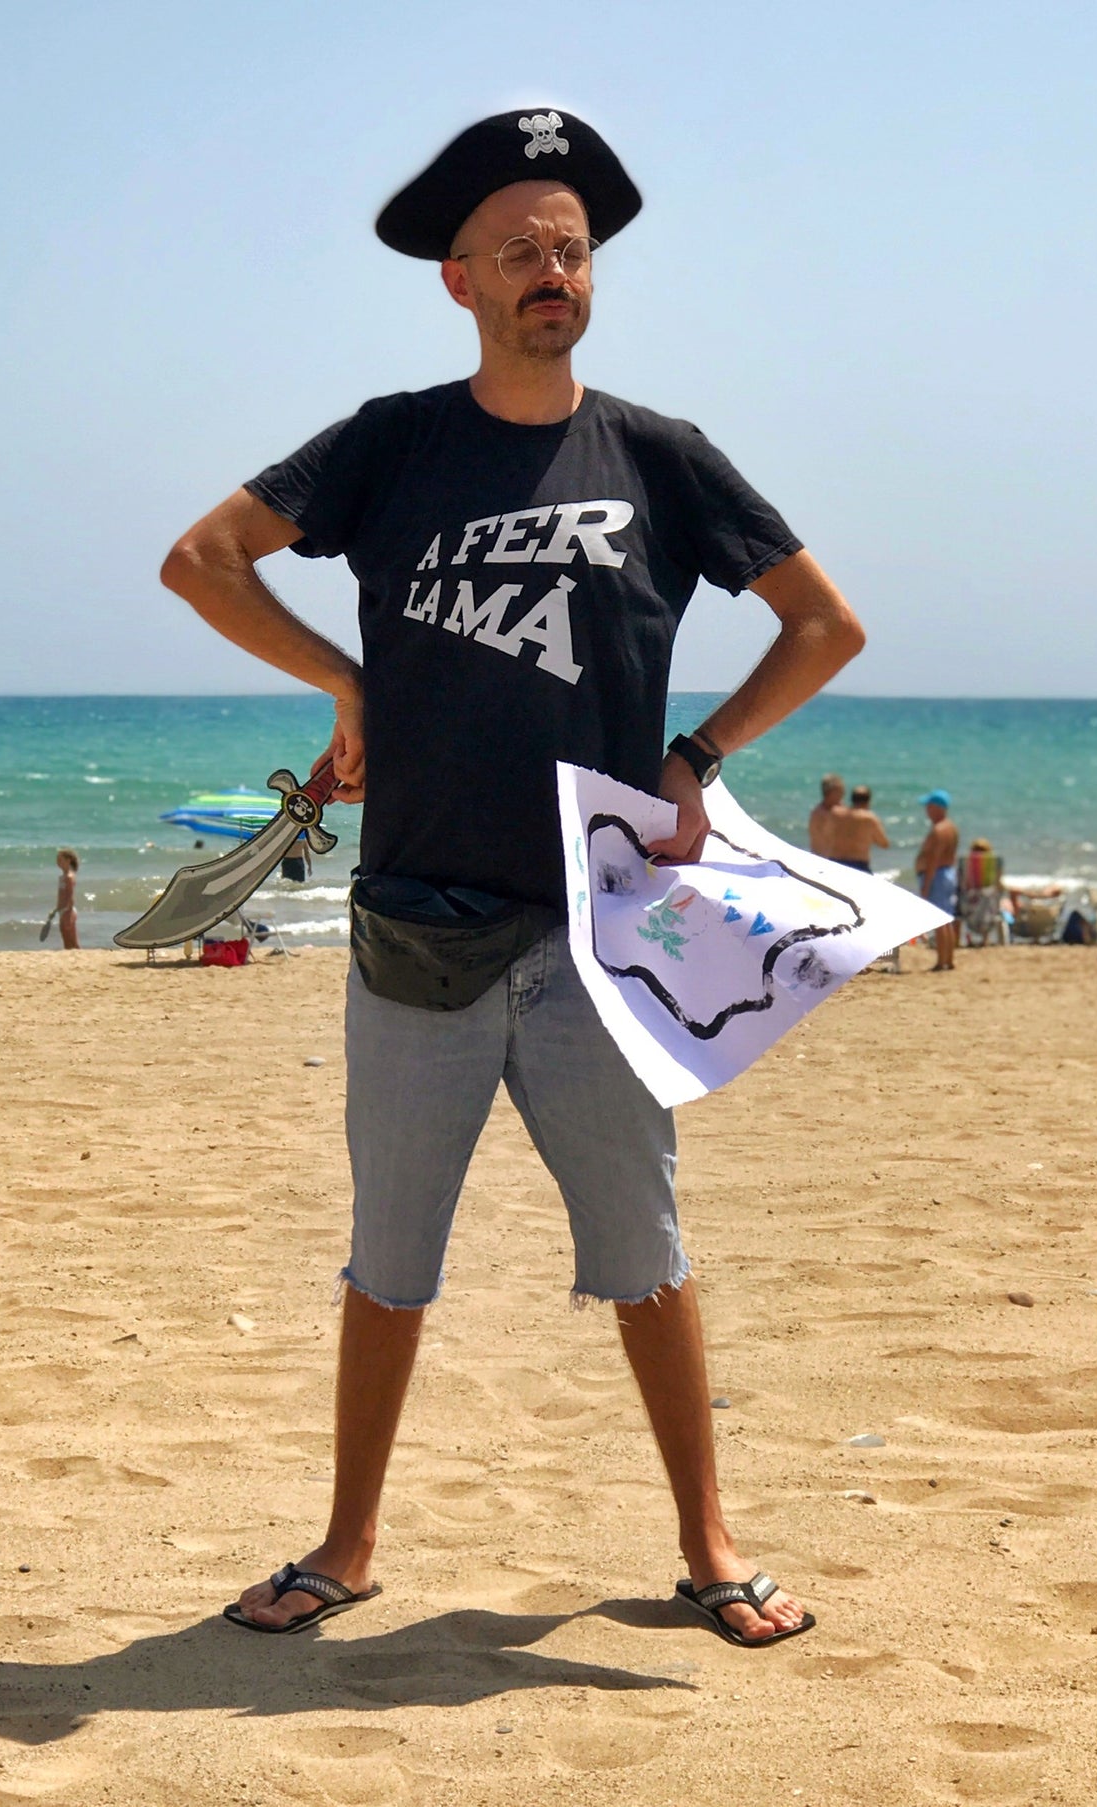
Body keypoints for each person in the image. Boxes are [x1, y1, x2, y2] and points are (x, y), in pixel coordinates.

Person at [159, 110, 864, 1646]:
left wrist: (702, 756)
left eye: (572, 249)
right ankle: (347, 1543)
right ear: (459, 282)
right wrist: (347, 686)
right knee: (389, 1260)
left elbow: (824, 626)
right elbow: (206, 558)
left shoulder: (662, 458)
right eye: (520, 252)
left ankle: (710, 1539)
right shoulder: (390, 442)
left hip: (599, 940)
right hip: (414, 928)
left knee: (646, 1258)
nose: (554, 271)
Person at [915, 791, 959, 970]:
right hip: (948, 872)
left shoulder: (939, 830)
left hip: (938, 875)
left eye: (929, 806)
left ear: (937, 808)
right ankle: (948, 959)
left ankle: (942, 961)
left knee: (940, 921)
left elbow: (933, 859)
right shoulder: (951, 827)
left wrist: (926, 887)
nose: (926, 810)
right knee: (946, 919)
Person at [829, 783, 889, 872]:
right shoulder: (869, 818)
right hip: (858, 865)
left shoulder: (836, 813)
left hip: (835, 862)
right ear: (868, 801)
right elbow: (884, 844)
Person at [808, 773, 846, 857]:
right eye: (840, 791)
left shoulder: (836, 810)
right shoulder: (820, 814)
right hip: (824, 861)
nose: (843, 794)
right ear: (832, 792)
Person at [54, 849, 80, 950]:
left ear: (68, 860)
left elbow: (69, 895)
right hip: (62, 910)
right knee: (66, 939)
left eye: (60, 860)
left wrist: (67, 912)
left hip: (68, 911)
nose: (58, 862)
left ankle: (80, 959)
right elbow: (61, 895)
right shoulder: (62, 877)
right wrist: (57, 908)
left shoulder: (69, 877)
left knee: (72, 940)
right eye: (57, 860)